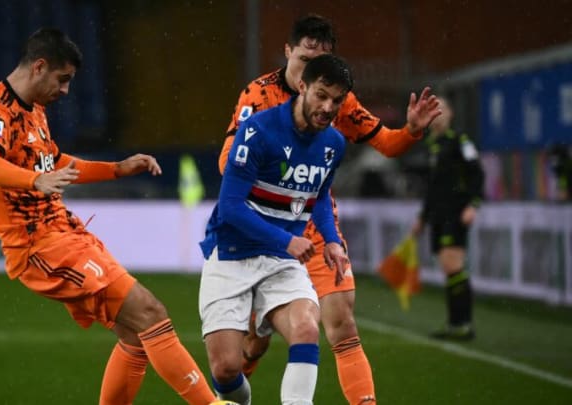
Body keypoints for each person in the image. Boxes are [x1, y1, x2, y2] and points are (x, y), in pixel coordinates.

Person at [0, 27, 217, 405]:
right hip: (38, 246)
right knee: (149, 311)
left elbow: (57, 163)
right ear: (39, 67)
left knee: (135, 333)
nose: (65, 91)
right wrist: (36, 180)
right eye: (62, 79)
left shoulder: (35, 110)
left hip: (65, 234)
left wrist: (116, 169)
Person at [218, 14, 441, 404]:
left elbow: (387, 145)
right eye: (304, 59)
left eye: (321, 61)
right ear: (288, 53)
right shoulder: (258, 97)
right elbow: (226, 165)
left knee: (342, 326)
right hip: (264, 230)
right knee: (247, 348)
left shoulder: (339, 100)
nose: (314, 72)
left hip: (316, 228)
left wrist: (412, 131)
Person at [200, 54, 353, 405]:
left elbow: (319, 195)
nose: (328, 107)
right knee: (225, 369)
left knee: (305, 328)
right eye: (321, 95)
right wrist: (288, 240)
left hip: (281, 260)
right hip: (232, 252)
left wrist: (331, 240)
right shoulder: (258, 131)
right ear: (302, 87)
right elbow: (231, 207)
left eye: (337, 100)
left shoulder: (334, 144)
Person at [410, 97, 484, 340]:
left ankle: (464, 323)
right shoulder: (432, 145)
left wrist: (473, 204)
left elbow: (477, 175)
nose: (438, 115)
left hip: (455, 211)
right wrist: (422, 217)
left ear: (450, 114)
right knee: (448, 267)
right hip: (438, 216)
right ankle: (455, 323)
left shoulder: (459, 141)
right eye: (434, 110)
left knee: (454, 265)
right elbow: (432, 188)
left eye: (441, 110)